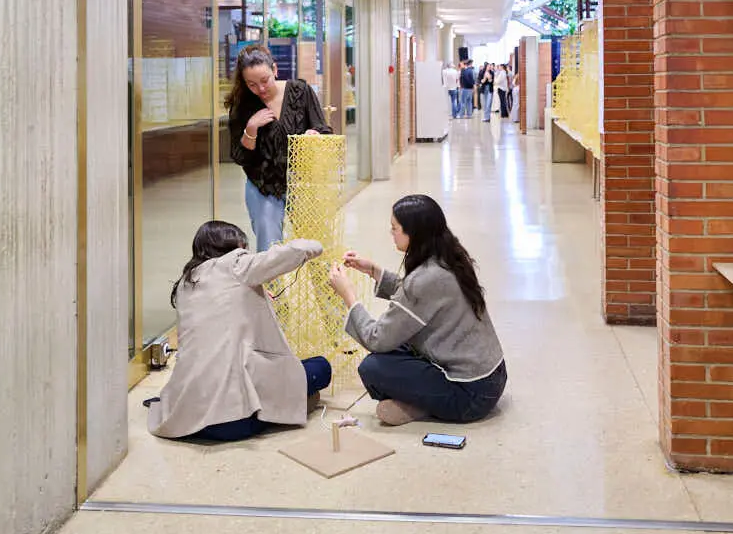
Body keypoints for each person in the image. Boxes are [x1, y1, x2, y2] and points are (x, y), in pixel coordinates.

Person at [327, 195, 508, 426]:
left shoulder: (425, 279)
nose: (390, 233)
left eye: (395, 228)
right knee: (398, 342)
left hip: (470, 395)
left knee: (373, 367)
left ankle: (422, 407)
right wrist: (373, 270)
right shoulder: (448, 257)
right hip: (491, 376)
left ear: (414, 233)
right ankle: (423, 401)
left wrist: (348, 296)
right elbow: (418, 298)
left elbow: (376, 338)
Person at [146, 221, 331, 442]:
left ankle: (293, 403)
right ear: (233, 247)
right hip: (234, 422)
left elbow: (224, 309)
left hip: (186, 416)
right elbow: (305, 248)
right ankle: (293, 405)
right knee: (320, 366)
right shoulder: (236, 264)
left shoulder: (186, 284)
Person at [226, 44, 333, 252]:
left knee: (316, 246)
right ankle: (271, 287)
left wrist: (315, 135)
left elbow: (323, 128)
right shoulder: (243, 105)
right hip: (263, 186)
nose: (261, 89)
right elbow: (240, 156)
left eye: (265, 80)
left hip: (303, 184)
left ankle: (327, 285)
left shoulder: (300, 91)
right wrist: (251, 128)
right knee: (269, 249)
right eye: (252, 84)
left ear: (274, 70)